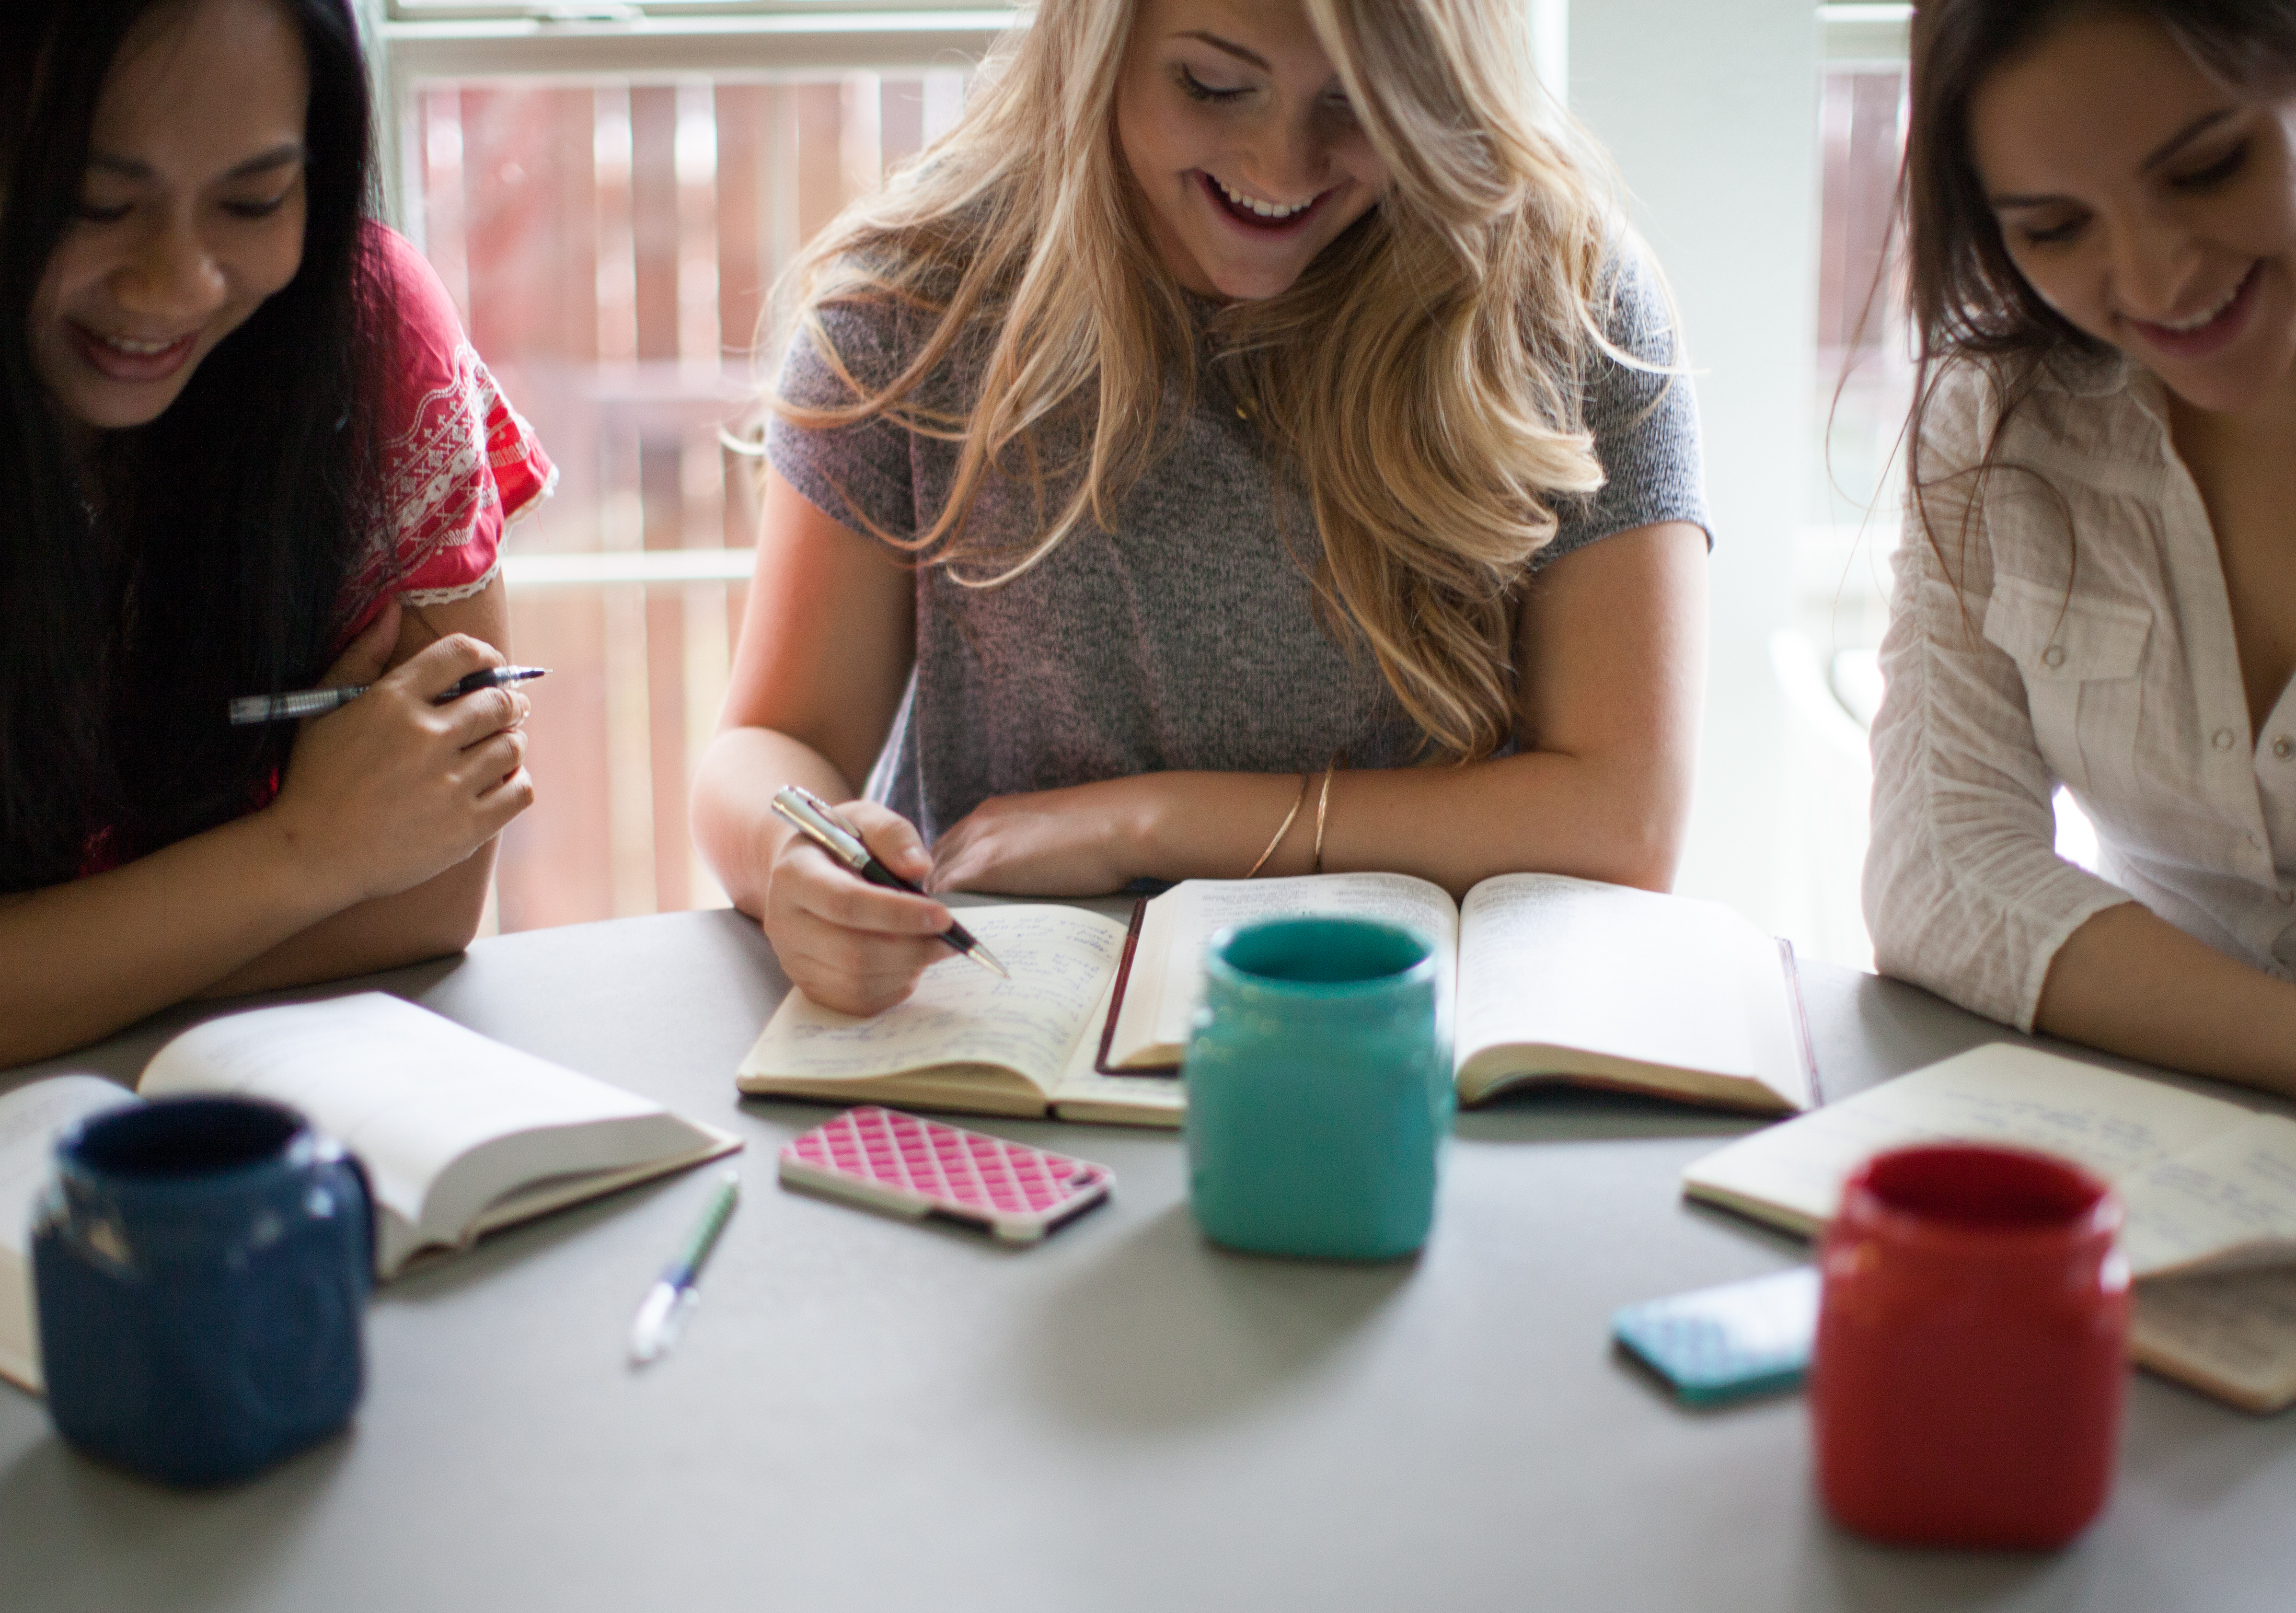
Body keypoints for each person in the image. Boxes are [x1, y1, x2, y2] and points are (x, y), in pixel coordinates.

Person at [692, 0, 1711, 1017]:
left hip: (1397, 1051)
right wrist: (792, 858)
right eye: (1215, 87)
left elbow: (1625, 817)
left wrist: (1153, 824)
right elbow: (768, 747)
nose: (1282, 167)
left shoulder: (1568, 300)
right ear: (1098, 42)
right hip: (997, 1040)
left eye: (1358, 105)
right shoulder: (916, 302)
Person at [0, 0, 551, 1120]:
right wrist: (305, 853)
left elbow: (428, 891)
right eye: (94, 205)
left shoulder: (360, 328)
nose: (177, 287)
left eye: (254, 200)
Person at [1865, 0, 2296, 1245]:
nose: (2157, 280)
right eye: (2054, 228)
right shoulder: (2001, 422)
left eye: (2208, 169)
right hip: (2146, 1161)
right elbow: (1937, 870)